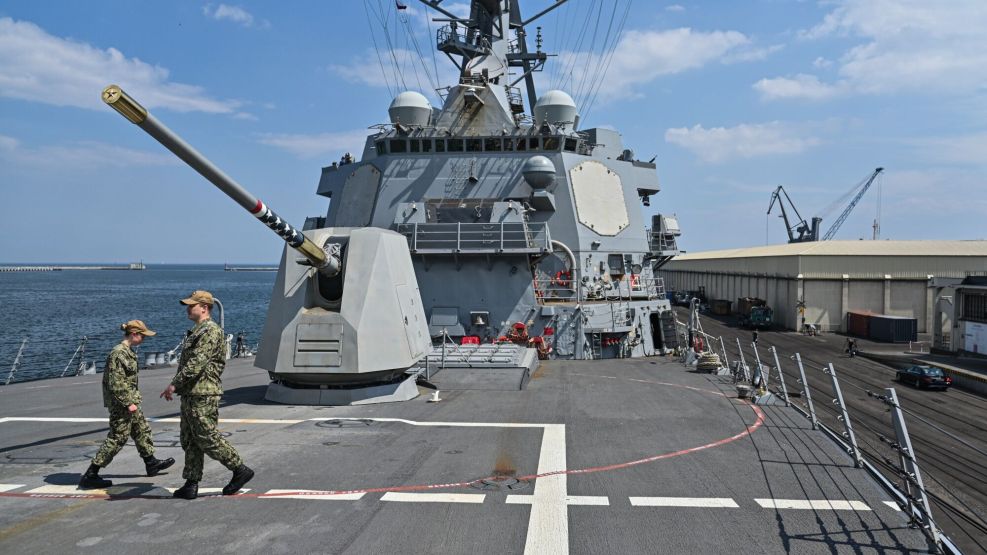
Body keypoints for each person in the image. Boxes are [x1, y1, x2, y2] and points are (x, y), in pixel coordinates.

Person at [160, 290, 253, 500]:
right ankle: (191, 483)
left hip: (203, 392)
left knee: (206, 436)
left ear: (204, 308)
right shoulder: (198, 331)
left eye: (191, 305)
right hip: (192, 392)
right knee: (190, 439)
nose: (187, 308)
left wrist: (173, 385)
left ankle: (239, 469)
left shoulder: (210, 331)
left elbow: (197, 363)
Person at [79, 320, 175, 489]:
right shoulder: (118, 353)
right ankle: (91, 474)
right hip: (122, 404)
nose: (144, 339)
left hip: (131, 401)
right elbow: (115, 382)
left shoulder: (128, 352)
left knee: (141, 430)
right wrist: (128, 403)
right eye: (143, 336)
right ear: (134, 334)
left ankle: (151, 463)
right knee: (117, 437)